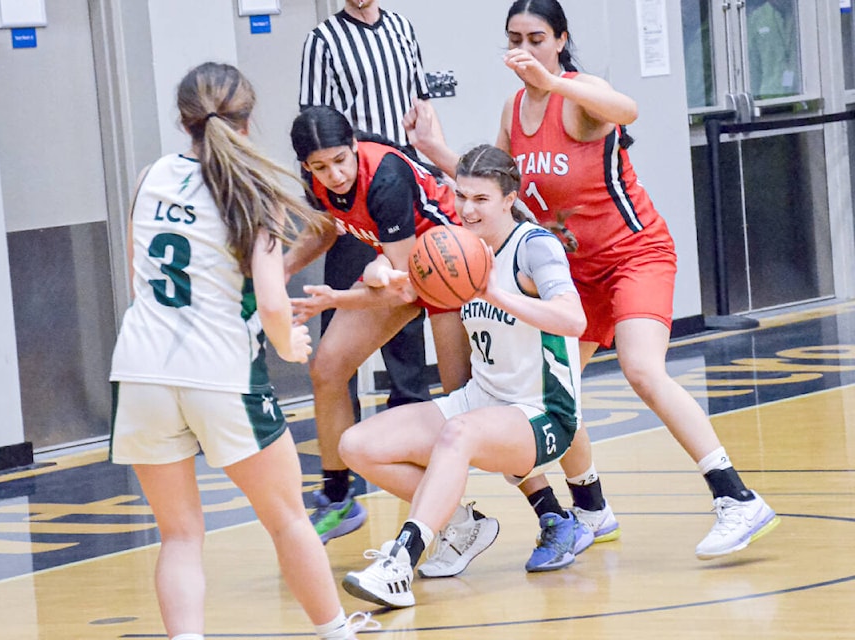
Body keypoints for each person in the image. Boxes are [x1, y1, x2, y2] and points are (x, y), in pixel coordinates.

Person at [404, 0, 780, 567]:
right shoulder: (513, 108)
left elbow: (627, 109)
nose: (524, 48)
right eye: (515, 37)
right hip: (573, 272)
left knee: (642, 369)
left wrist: (556, 81)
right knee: (550, 395)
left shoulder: (577, 98)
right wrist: (438, 153)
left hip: (634, 254)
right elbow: (504, 192)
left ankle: (736, 497)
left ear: (560, 40)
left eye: (537, 37)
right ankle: (592, 509)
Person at [108, 62, 375, 640]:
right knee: (288, 521)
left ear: (185, 122)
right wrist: (288, 340)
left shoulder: (150, 176)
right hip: (220, 370)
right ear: (248, 121)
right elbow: (276, 304)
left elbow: (136, 275)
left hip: (142, 368)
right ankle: (335, 632)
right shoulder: (252, 188)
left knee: (179, 535)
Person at [337, 144, 587, 609]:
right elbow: (398, 272)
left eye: (481, 200)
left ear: (508, 198)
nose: (467, 210)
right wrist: (363, 281)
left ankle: (398, 564)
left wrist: (496, 293)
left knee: (458, 433)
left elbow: (573, 321)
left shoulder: (535, 247)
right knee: (356, 446)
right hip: (483, 400)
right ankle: (462, 527)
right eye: (462, 197)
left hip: (543, 415)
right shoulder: (456, 246)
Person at [285, 105, 493, 548]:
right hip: (408, 263)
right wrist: (280, 269)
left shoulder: (385, 176)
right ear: (306, 166)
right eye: (320, 167)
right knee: (326, 371)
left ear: (354, 147)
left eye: (340, 161)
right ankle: (339, 498)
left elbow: (404, 287)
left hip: (451, 260)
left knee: (470, 404)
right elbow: (327, 229)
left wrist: (337, 298)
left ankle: (555, 507)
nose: (334, 175)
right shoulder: (319, 179)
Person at [298, 0, 433, 435]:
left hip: (398, 179)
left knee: (403, 301)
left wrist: (432, 162)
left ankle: (408, 415)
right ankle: (343, 428)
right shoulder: (323, 41)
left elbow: (422, 110)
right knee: (343, 306)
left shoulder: (403, 28)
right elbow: (318, 126)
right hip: (351, 185)